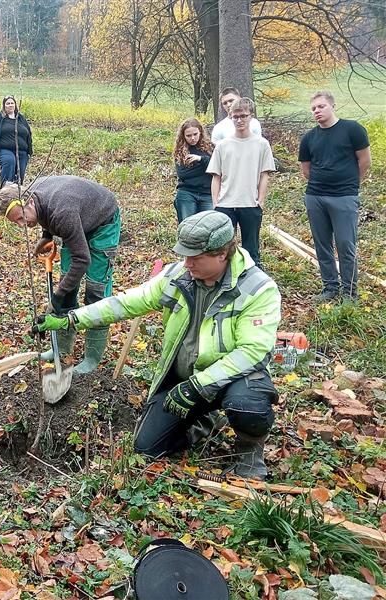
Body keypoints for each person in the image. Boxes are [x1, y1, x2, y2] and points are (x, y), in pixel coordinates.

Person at [34, 211, 281, 479]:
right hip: (185, 379)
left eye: (195, 257)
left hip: (232, 379)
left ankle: (249, 455)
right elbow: (126, 303)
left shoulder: (257, 289)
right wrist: (72, 319)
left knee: (246, 403)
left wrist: (198, 385)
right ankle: (205, 422)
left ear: (222, 254)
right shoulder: (178, 276)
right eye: (184, 255)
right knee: (146, 447)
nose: (187, 263)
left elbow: (252, 352)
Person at [0, 175, 120, 373]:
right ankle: (62, 349)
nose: (21, 225)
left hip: (102, 221)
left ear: (30, 201)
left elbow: (82, 260)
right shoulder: (35, 193)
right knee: (67, 285)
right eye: (16, 222)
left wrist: (57, 296)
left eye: (21, 218)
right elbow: (46, 211)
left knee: (95, 291)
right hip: (75, 219)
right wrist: (46, 236)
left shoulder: (63, 213)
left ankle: (91, 358)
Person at [298, 91, 371, 302]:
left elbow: (365, 161)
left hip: (344, 197)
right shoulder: (309, 138)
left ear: (332, 106)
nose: (317, 111)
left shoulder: (353, 130)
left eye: (321, 106)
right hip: (315, 197)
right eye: (313, 108)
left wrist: (351, 184)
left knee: (346, 244)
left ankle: (349, 292)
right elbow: (306, 170)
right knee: (322, 245)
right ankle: (330, 287)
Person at [207, 97, 275, 268]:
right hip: (225, 204)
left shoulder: (262, 144)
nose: (239, 120)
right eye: (235, 117)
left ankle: (252, 278)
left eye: (243, 116)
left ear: (251, 116)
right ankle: (226, 278)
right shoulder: (222, 145)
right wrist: (216, 202)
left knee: (251, 249)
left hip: (250, 204)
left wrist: (260, 200)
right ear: (231, 117)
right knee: (224, 249)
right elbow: (216, 176)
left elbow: (264, 174)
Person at [0, 95, 33, 187]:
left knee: (20, 176)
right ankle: (5, 189)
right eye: (8, 103)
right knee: (9, 161)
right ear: (4, 105)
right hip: (3, 150)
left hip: (22, 152)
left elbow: (28, 133)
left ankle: (17, 192)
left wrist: (29, 151)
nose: (10, 105)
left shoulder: (21, 118)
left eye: (12, 103)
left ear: (15, 105)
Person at [173, 118, 214, 223]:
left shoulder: (210, 147)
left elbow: (217, 167)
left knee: (208, 226)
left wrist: (200, 159)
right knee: (187, 226)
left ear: (200, 132)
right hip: (187, 193)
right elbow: (183, 174)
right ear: (183, 136)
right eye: (188, 135)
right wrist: (206, 166)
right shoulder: (180, 150)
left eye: (195, 134)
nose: (192, 138)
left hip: (208, 193)